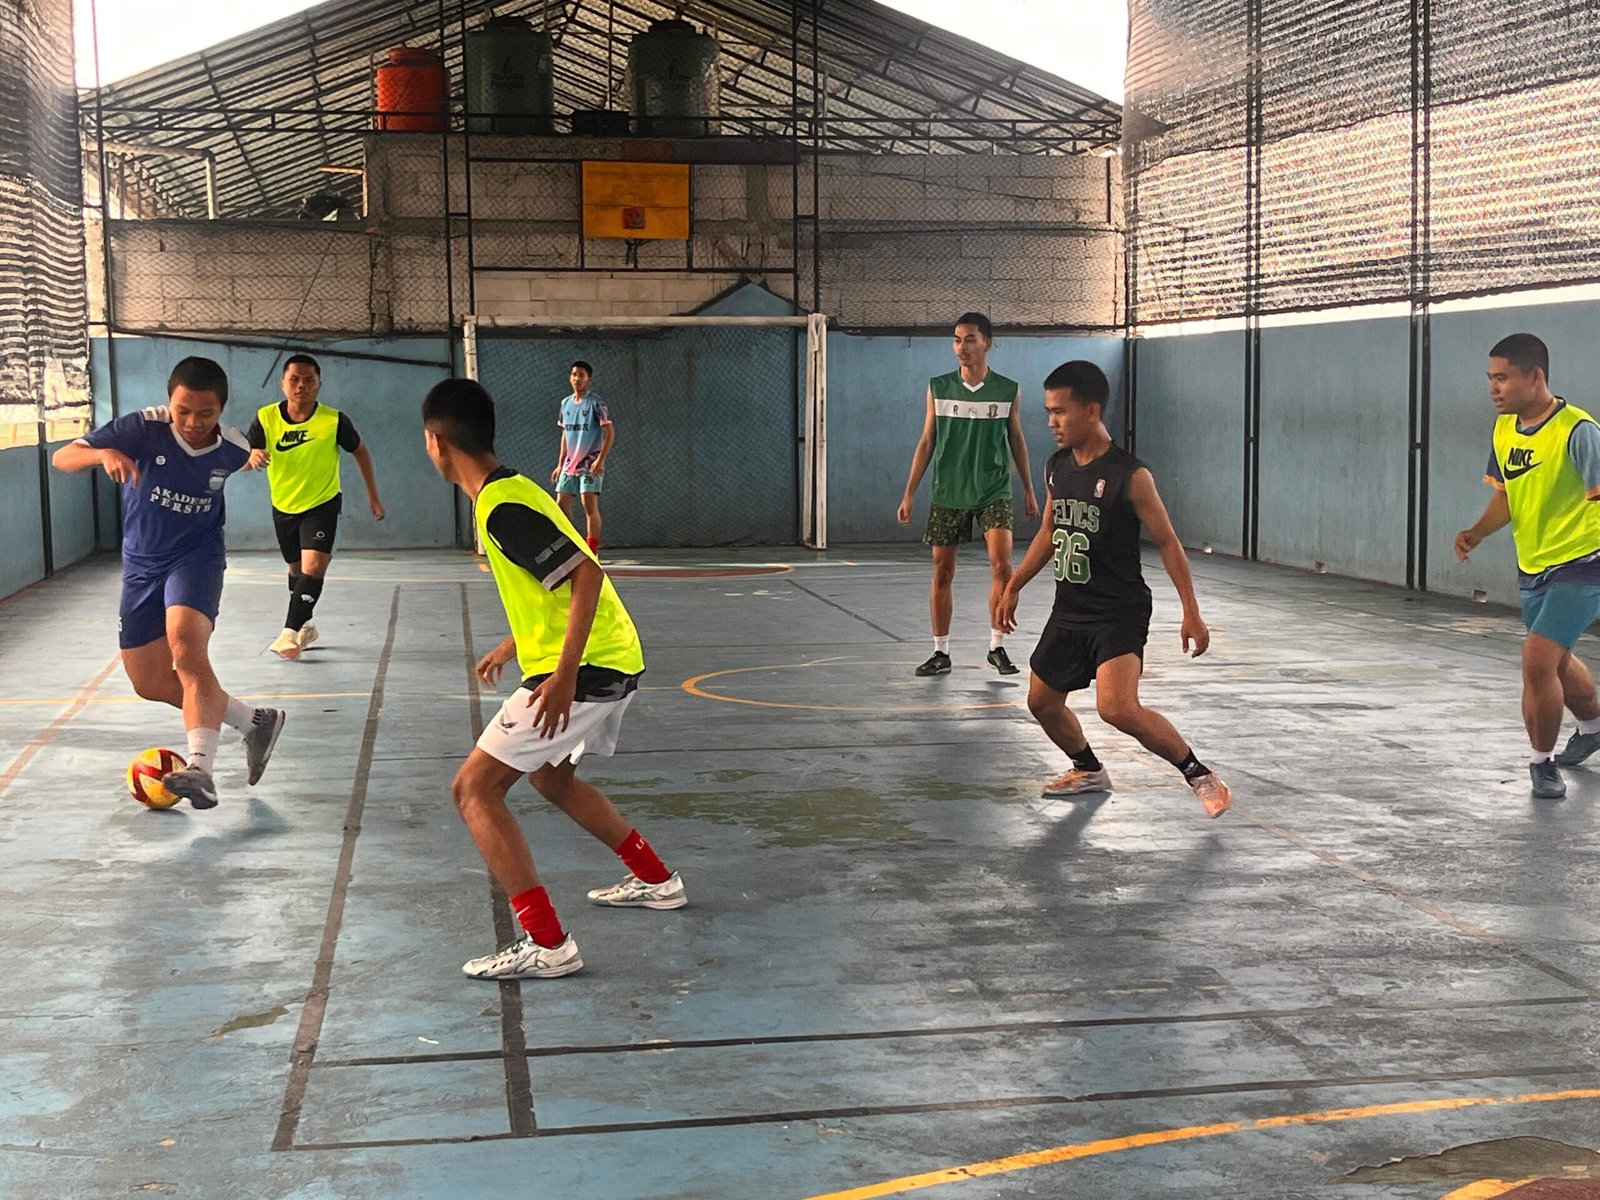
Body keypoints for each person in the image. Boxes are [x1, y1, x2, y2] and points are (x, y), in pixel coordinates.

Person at [422, 377, 684, 981]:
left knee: (473, 791)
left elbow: (586, 577)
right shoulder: (514, 490)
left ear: (436, 442)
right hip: (611, 655)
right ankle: (657, 880)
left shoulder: (502, 505)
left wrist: (563, 674)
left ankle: (548, 944)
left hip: (586, 667)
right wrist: (516, 643)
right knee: (551, 778)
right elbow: (559, 581)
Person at [996, 360, 1231, 818]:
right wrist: (1014, 584)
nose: (1051, 422)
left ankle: (1199, 773)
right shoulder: (1057, 467)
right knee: (1041, 702)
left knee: (1118, 708)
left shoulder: (1130, 475)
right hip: (1070, 609)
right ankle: (1088, 769)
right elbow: (1049, 529)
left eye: (1060, 411)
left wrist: (1191, 611)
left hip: (1118, 611)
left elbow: (1167, 541)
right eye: (1047, 411)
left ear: (1091, 410)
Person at [51, 356, 286, 809]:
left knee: (185, 647)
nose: (193, 422)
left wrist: (253, 458)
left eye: (206, 413)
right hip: (141, 564)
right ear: (169, 401)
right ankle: (255, 722)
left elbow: (241, 459)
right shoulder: (142, 428)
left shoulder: (232, 447)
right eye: (183, 410)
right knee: (150, 681)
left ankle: (200, 768)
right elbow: (63, 456)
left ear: (222, 410)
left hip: (196, 557)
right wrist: (102, 452)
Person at [1455, 333, 1600, 800]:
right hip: (1533, 566)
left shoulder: (1579, 431)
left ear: (1535, 376)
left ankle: (1542, 763)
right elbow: (1507, 496)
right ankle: (1595, 724)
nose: (1494, 389)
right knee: (1554, 663)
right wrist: (1477, 530)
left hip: (1583, 563)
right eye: (1490, 379)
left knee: (1536, 661)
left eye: (1502, 378)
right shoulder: (1504, 430)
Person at [897, 312, 1039, 677]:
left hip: (994, 490)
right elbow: (927, 441)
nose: (962, 347)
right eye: (957, 340)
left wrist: (1029, 489)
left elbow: (1017, 440)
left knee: (1002, 567)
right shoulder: (938, 387)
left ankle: (997, 646)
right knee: (943, 572)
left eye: (970, 339)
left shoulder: (1007, 390)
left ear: (987, 342)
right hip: (949, 491)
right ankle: (940, 652)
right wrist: (909, 492)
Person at [247, 353, 384, 659]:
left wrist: (372, 494)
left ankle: (288, 632)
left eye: (309, 380)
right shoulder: (266, 417)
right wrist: (251, 458)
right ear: (283, 383)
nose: (301, 386)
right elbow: (245, 456)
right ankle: (306, 624)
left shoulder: (333, 420)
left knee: (313, 568)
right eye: (294, 379)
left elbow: (360, 451)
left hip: (322, 504)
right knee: (296, 571)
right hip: (284, 506)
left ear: (319, 385)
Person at [549, 360, 613, 554]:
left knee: (589, 505)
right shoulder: (565, 403)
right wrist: (560, 464)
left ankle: (592, 549)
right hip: (570, 465)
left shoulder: (596, 403)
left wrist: (600, 460)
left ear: (589, 379)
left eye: (581, 375)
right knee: (561, 506)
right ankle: (573, 544)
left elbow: (609, 432)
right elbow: (565, 435)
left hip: (589, 464)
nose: (577, 378)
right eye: (574, 374)